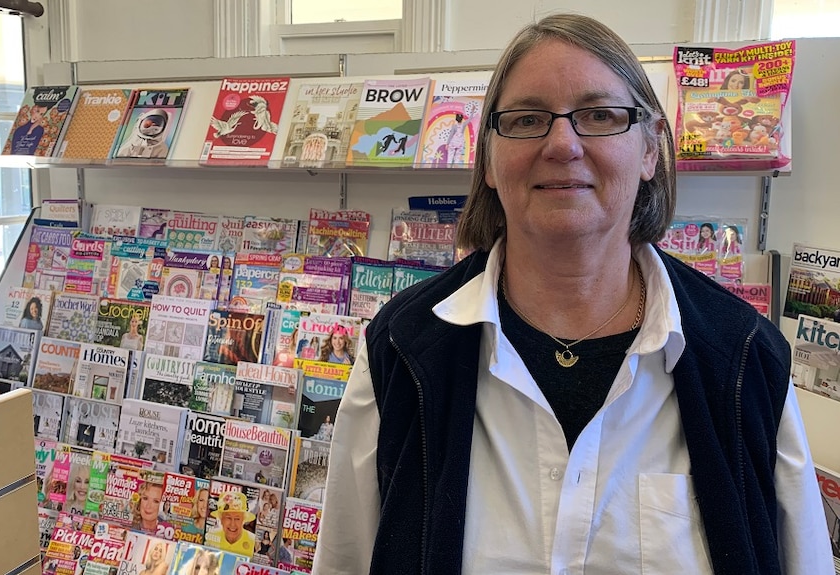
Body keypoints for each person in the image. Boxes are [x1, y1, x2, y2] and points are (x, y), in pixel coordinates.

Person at [311, 13, 832, 575]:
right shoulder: (401, 349)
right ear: (488, 157)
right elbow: (346, 560)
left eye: (600, 115)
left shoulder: (745, 359)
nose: (562, 143)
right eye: (528, 118)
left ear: (651, 149)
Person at [210, 490, 256, 555]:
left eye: (237, 519)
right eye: (228, 518)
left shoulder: (253, 541)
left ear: (243, 520)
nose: (232, 524)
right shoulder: (211, 536)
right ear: (221, 519)